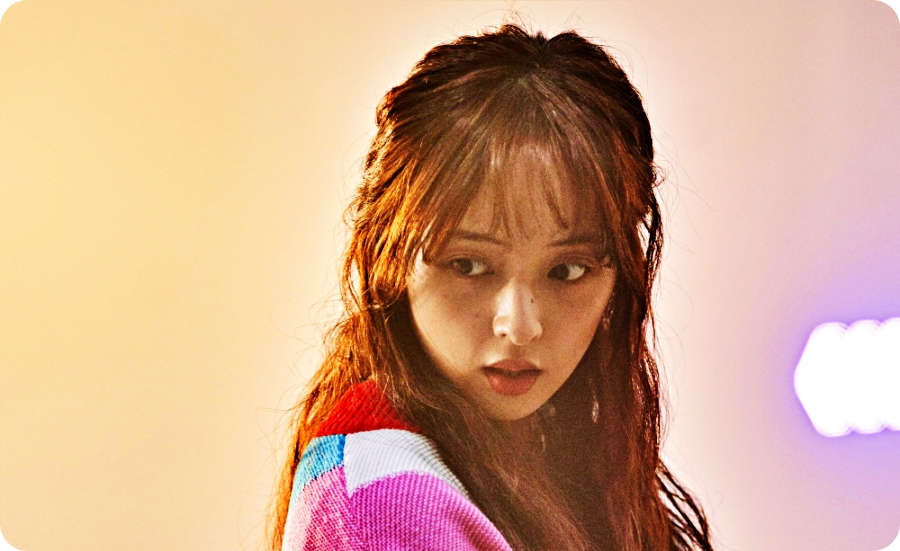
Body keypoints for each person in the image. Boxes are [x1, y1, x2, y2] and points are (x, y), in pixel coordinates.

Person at [268, 24, 714, 551]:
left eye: (567, 271)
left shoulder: (548, 457)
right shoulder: (383, 504)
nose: (519, 327)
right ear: (390, 257)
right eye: (470, 265)